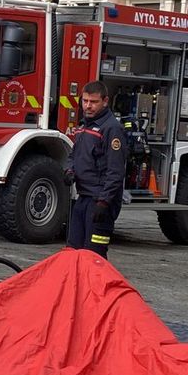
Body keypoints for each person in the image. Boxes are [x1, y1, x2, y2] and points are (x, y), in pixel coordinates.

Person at [65, 81, 126, 260]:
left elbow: (115, 171)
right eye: (85, 101)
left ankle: (97, 289)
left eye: (93, 102)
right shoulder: (85, 125)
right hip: (83, 198)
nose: (88, 106)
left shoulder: (112, 129)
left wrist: (104, 203)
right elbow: (74, 156)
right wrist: (69, 171)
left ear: (105, 101)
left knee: (94, 256)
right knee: (73, 253)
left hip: (99, 202)